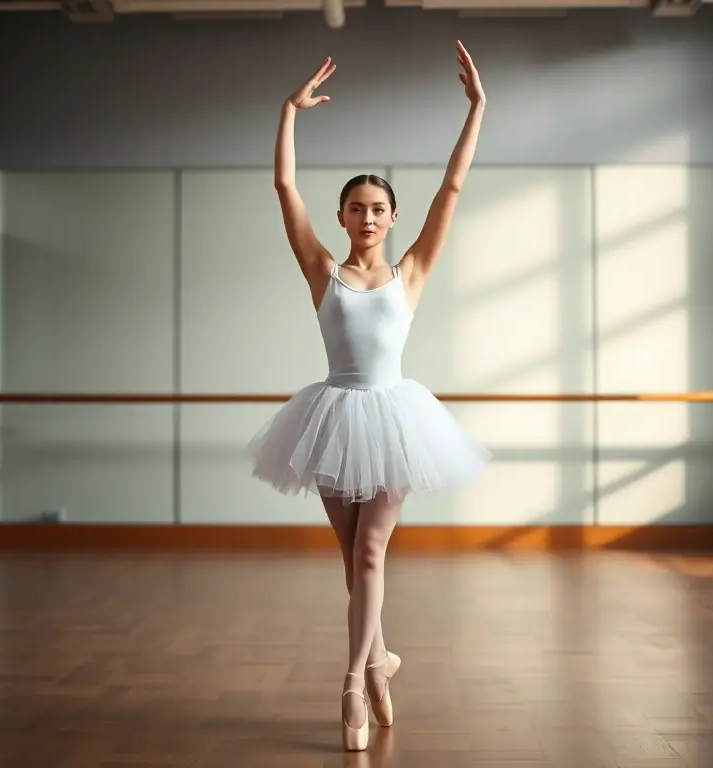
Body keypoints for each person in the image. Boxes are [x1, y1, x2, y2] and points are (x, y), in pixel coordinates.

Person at [247, 41, 490, 752]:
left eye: (379, 208)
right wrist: (289, 112)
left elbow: (451, 189)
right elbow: (284, 189)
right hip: (332, 417)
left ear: (392, 217)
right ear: (343, 217)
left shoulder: (410, 273)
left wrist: (477, 109)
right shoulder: (321, 271)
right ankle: (381, 663)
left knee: (373, 552)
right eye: (357, 208)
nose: (369, 217)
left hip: (394, 418)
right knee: (354, 560)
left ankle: (353, 681)